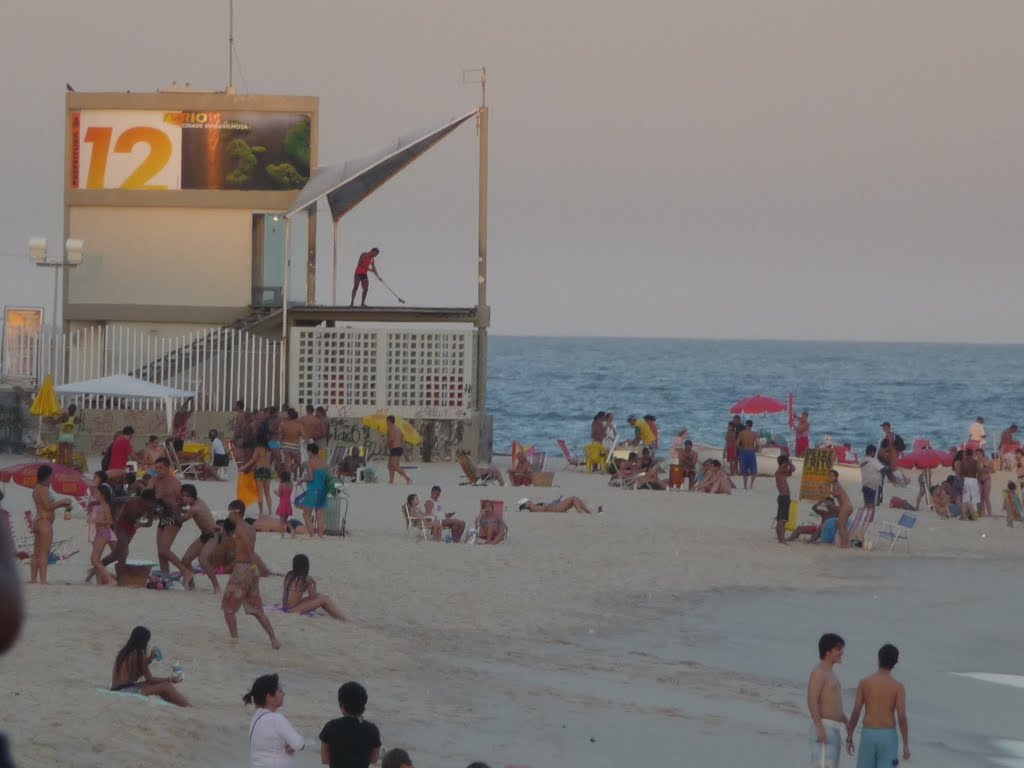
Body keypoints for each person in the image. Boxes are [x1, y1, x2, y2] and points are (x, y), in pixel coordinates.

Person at [222, 499, 281, 649]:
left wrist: (252, 562)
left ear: (235, 512)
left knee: (228, 608)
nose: (228, 515)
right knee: (256, 608)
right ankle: (273, 638)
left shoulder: (240, 528)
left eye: (229, 512)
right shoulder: (251, 528)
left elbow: (248, 547)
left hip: (243, 569)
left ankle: (234, 639)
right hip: (251, 570)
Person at [846, 644, 910, 767]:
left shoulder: (865, 683)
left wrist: (849, 736)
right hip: (888, 736)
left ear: (878, 659)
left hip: (868, 734)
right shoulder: (898, 687)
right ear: (895, 662)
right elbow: (902, 717)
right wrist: (906, 745)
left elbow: (856, 712)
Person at [111, 625, 189, 706]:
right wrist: (171, 679)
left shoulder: (125, 652)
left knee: (160, 686)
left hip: (117, 688)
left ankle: (177, 704)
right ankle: (187, 706)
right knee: (165, 686)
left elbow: (134, 675)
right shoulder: (139, 654)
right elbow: (150, 679)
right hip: (125, 690)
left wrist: (150, 659)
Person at [244, 673, 305, 768]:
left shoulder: (256, 718)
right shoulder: (276, 719)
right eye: (280, 691)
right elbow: (299, 744)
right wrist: (293, 745)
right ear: (269, 697)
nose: (284, 694)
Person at [807, 632, 848, 768]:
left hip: (835, 729)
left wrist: (846, 722)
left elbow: (833, 703)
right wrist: (819, 727)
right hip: (824, 727)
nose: (841, 652)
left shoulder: (831, 672)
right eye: (838, 649)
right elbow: (812, 701)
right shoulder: (819, 672)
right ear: (828, 651)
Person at [319, 681, 381, 768]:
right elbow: (374, 759)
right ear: (363, 706)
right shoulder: (372, 730)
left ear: (342, 706)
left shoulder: (330, 727)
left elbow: (325, 759)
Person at [30, 464, 72, 585]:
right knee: (44, 552)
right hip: (44, 522)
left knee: (37, 551)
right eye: (51, 476)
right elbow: (48, 507)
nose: (52, 478)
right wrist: (62, 502)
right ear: (47, 476)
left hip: (39, 520)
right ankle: (43, 580)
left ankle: (33, 579)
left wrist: (61, 504)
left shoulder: (38, 487)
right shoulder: (42, 489)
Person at [178, 485, 222, 592]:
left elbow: (180, 520)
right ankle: (191, 584)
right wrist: (179, 508)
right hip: (204, 536)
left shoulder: (195, 508)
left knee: (202, 560)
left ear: (193, 497)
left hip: (213, 536)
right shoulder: (198, 502)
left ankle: (216, 586)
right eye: (183, 496)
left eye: (187, 496)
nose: (184, 499)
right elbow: (188, 512)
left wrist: (173, 510)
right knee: (186, 560)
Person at [281, 554, 345, 620]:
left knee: (319, 596)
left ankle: (337, 616)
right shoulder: (304, 578)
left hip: (285, 606)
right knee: (324, 599)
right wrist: (314, 584)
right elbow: (312, 597)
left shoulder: (290, 575)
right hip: (292, 610)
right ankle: (342, 619)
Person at [88, 483, 117, 586]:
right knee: (96, 560)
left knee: (94, 560)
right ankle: (99, 582)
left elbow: (109, 521)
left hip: (103, 533)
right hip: (100, 533)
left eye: (98, 492)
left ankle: (109, 579)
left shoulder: (105, 506)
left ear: (103, 495)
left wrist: (96, 521)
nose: (96, 494)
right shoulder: (100, 506)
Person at [240, 438, 274, 517]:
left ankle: (261, 512)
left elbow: (253, 460)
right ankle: (270, 511)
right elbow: (269, 461)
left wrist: (244, 467)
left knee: (260, 493)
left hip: (260, 471)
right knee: (267, 492)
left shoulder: (258, 449)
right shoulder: (269, 449)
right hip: (268, 471)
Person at [301, 444, 329, 538]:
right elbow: (328, 477)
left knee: (306, 515)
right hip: (322, 492)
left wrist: (302, 480)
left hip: (313, 491)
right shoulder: (324, 462)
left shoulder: (310, 462)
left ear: (309, 452)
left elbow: (311, 478)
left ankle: (312, 535)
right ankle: (320, 536)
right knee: (320, 516)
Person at [774, 455, 795, 544]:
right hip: (784, 497)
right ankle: (782, 539)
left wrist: (788, 463)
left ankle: (780, 539)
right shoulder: (780, 470)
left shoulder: (781, 472)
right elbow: (793, 469)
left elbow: (790, 473)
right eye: (786, 463)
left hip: (783, 497)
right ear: (783, 463)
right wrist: (790, 463)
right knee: (782, 520)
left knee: (781, 519)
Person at [859, 445, 884, 518]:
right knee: (872, 504)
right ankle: (870, 519)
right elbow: (882, 468)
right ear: (872, 452)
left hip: (865, 484)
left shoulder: (862, 460)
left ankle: (865, 518)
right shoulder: (873, 460)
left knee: (866, 503)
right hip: (874, 485)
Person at [386, 416, 411, 484]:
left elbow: (392, 440)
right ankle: (391, 480)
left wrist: (387, 445)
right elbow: (402, 440)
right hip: (398, 448)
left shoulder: (391, 428)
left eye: (387, 421)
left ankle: (408, 478)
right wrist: (404, 451)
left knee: (395, 466)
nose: (386, 423)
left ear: (389, 421)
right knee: (389, 465)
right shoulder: (398, 428)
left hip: (396, 448)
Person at [832, 470, 854, 549]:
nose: (829, 477)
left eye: (831, 476)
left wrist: (828, 491)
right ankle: (846, 543)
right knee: (841, 526)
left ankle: (844, 546)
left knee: (841, 527)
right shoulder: (835, 484)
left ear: (836, 477)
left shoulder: (836, 485)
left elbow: (836, 494)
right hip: (847, 506)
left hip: (845, 506)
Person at [279, 409, 304, 475]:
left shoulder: (284, 424)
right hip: (295, 446)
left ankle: (288, 476)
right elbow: (304, 435)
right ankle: (292, 470)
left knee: (287, 462)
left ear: (289, 416)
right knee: (298, 461)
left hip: (285, 445)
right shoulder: (299, 425)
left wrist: (281, 441)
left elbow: (279, 432)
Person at [735, 420, 759, 490]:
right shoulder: (754, 434)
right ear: (751, 426)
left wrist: (741, 448)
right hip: (751, 452)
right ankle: (751, 485)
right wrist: (755, 449)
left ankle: (745, 486)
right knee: (754, 470)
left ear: (746, 425)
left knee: (744, 470)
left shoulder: (741, 433)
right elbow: (757, 444)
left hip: (744, 452)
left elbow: (737, 444)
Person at [960, 447, 980, 520]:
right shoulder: (975, 461)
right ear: (972, 454)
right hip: (973, 479)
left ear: (966, 454)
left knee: (965, 498)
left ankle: (964, 515)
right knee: (974, 498)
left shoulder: (963, 462)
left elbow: (960, 473)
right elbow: (979, 471)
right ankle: (975, 515)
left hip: (966, 480)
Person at [517, 496, 596, 514]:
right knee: (573, 499)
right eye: (528, 501)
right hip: (556, 508)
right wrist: (549, 504)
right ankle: (581, 512)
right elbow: (542, 510)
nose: (530, 501)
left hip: (555, 506)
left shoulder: (533, 506)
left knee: (575, 499)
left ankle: (587, 512)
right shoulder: (533, 508)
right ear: (526, 505)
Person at [275, 471, 294, 538]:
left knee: (281, 520)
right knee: (285, 519)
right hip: (288, 501)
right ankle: (292, 529)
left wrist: (275, 492)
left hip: (283, 502)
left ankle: (282, 534)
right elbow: (290, 493)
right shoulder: (291, 484)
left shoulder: (281, 484)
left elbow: (279, 494)